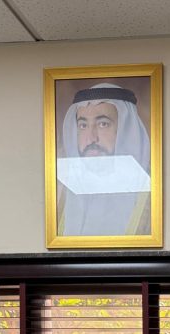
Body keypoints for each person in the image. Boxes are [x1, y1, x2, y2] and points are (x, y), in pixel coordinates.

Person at [58, 82, 151, 237]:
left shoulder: (152, 193)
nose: (91, 138)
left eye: (103, 124)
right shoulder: (63, 193)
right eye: (83, 125)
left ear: (126, 130)